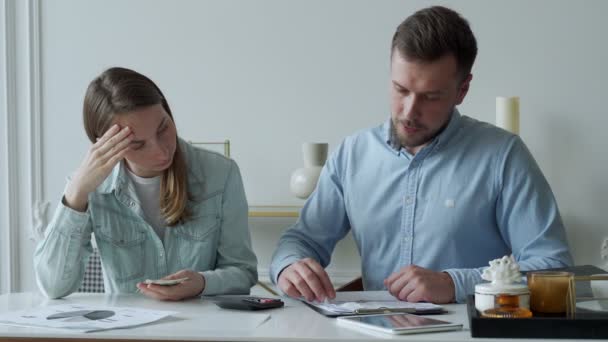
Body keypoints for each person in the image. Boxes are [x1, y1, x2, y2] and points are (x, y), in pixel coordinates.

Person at [270, 6, 573, 304]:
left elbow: (555, 269)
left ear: (462, 90)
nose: (409, 112)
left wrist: (455, 284)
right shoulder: (352, 155)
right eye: (400, 89)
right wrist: (290, 266)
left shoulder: (504, 157)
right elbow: (301, 240)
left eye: (430, 96)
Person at [35, 67, 257, 300]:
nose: (161, 150)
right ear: (106, 145)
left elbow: (243, 273)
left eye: (163, 128)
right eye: (138, 144)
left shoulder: (221, 173)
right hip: (127, 333)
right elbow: (53, 286)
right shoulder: (90, 188)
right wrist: (77, 192)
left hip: (201, 330)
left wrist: (201, 283)